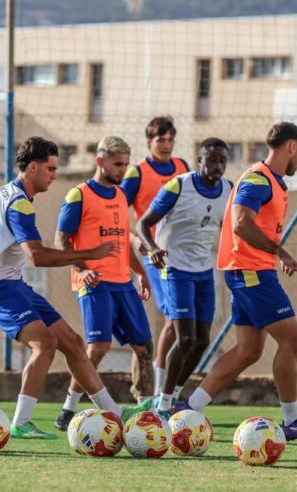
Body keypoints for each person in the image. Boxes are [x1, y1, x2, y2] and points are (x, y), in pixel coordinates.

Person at [0, 136, 151, 439]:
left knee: (73, 342)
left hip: (12, 284)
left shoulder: (3, 193)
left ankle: (115, 414)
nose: (54, 176)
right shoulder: (20, 205)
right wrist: (88, 255)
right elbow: (38, 256)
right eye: (50, 169)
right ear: (31, 168)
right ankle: (20, 423)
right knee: (46, 344)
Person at [174, 122, 297, 441]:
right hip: (251, 271)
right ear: (291, 147)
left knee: (249, 350)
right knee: (292, 340)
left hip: (248, 270)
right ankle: (292, 421)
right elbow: (240, 224)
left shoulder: (273, 182)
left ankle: (189, 409)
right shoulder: (257, 179)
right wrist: (281, 253)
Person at [52, 136, 154, 431]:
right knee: (98, 347)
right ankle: (69, 408)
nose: (123, 170)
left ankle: (145, 411)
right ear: (100, 161)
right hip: (94, 282)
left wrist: (140, 271)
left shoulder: (121, 196)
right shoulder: (79, 195)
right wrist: (82, 269)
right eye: (117, 164)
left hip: (123, 282)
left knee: (143, 346)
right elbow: (61, 240)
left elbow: (122, 242)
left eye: (125, 164)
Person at [136, 138, 233, 419]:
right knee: (185, 338)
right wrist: (153, 249)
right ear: (200, 160)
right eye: (212, 160)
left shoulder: (228, 190)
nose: (217, 166)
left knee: (202, 341)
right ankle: (162, 405)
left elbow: (229, 230)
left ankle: (175, 397)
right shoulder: (179, 186)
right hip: (175, 268)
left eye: (222, 161)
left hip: (203, 271)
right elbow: (143, 223)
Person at [120, 115, 189, 402]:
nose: (166, 145)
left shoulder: (183, 167)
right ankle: (162, 389)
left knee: (184, 321)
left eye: (170, 139)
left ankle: (166, 390)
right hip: (154, 254)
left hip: (183, 254)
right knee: (173, 317)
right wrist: (137, 241)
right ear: (149, 142)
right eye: (161, 140)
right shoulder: (137, 174)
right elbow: (113, 210)